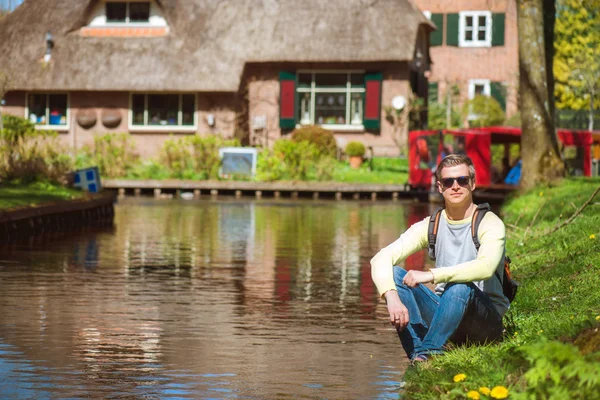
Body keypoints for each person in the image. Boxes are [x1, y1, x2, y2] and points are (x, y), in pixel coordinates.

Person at [370, 154, 509, 363]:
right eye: (448, 181)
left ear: (473, 183)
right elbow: (380, 258)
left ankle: (430, 352)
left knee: (459, 286)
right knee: (396, 276)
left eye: (462, 180)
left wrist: (431, 275)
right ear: (440, 186)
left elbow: (486, 267)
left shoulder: (490, 223)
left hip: (484, 321)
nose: (455, 186)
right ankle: (419, 357)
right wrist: (391, 297)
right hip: (444, 312)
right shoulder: (431, 225)